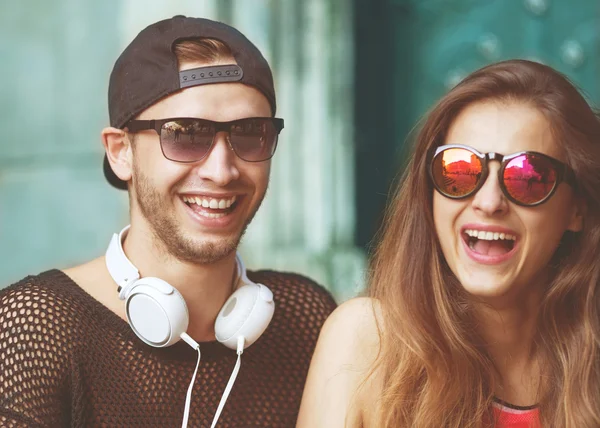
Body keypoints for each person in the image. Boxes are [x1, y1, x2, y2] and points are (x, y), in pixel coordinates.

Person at [0, 16, 337, 428]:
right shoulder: (34, 327)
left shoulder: (307, 318)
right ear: (120, 151)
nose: (222, 170)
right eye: (185, 134)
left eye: (250, 133)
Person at [297, 59, 600, 427]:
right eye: (459, 171)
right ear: (430, 193)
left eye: (527, 177)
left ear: (577, 210)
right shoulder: (366, 344)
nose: (488, 202)